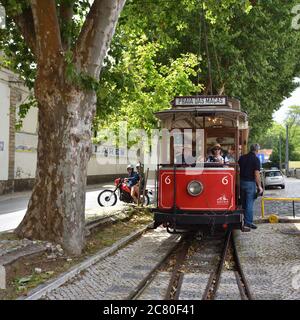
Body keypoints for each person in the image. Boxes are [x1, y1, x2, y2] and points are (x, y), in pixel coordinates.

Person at [238, 144, 263, 230]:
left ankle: (245, 221)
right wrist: (259, 186)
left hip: (241, 182)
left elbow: (238, 169)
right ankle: (248, 223)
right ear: (257, 150)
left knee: (244, 203)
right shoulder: (256, 159)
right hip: (250, 183)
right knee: (249, 204)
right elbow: (256, 174)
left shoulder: (242, 158)